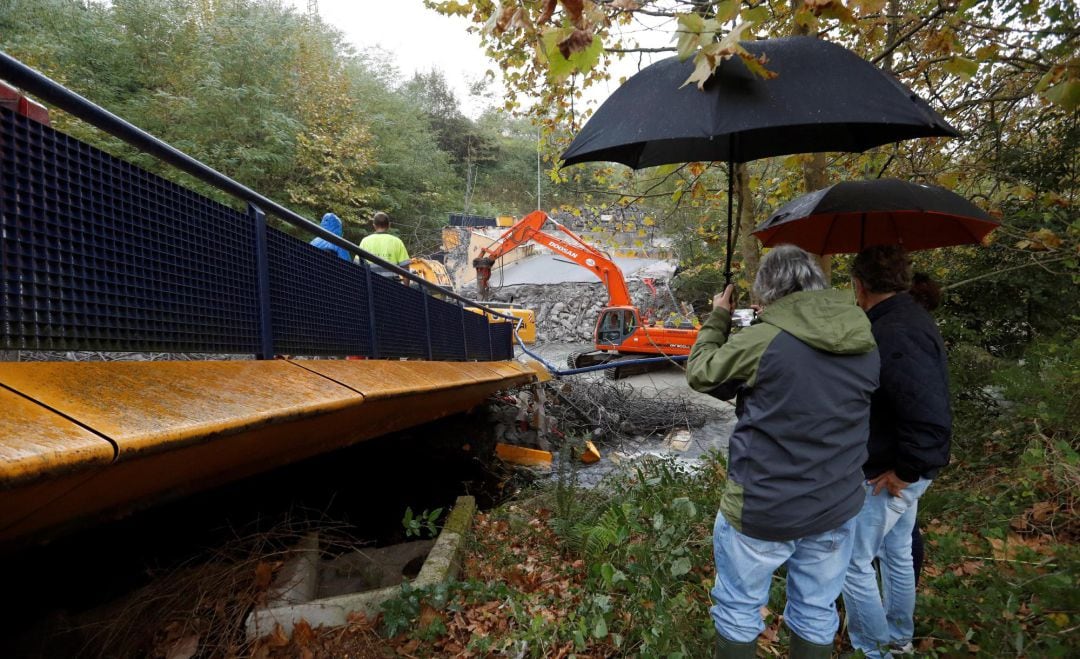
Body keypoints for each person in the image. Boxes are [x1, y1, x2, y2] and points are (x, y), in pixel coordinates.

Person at [686, 244, 880, 658]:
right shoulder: (863, 334)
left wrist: (720, 314)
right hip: (835, 502)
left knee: (739, 609)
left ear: (768, 292)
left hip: (764, 503)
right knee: (816, 608)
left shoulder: (764, 339)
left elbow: (702, 373)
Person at [842, 247, 952, 658]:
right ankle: (899, 639)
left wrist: (906, 472)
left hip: (892, 469)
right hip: (904, 463)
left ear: (859, 285)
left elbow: (926, 411)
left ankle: (875, 650)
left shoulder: (894, 331)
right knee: (897, 551)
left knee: (853, 562)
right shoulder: (907, 319)